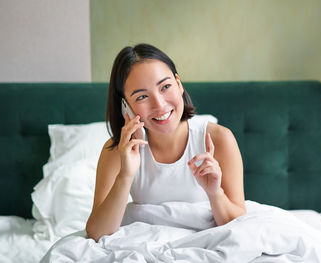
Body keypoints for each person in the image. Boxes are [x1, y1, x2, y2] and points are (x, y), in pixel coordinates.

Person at [85, 44, 246, 241]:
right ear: (125, 106)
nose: (159, 105)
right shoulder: (118, 151)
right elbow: (97, 232)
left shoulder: (220, 139)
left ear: (179, 84)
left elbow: (239, 226)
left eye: (165, 87)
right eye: (142, 96)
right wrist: (125, 175)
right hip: (146, 244)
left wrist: (215, 193)